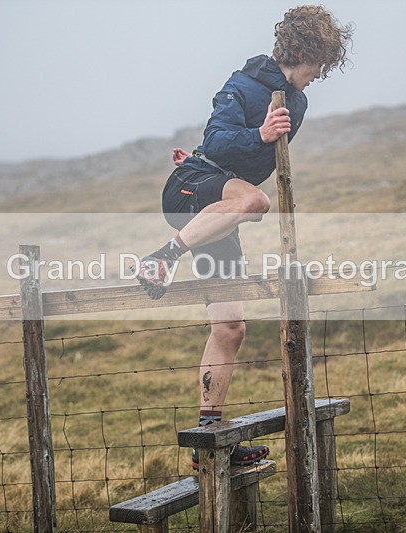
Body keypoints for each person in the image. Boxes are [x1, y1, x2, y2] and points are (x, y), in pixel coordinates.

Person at [134, 5, 353, 470]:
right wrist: (256, 132)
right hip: (193, 188)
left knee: (231, 327)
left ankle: (208, 439)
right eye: (321, 64)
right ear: (306, 52)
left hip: (217, 215)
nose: (320, 75)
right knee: (256, 203)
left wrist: (251, 142)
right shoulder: (242, 85)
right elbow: (216, 141)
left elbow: (248, 157)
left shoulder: (298, 103)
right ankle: (161, 258)